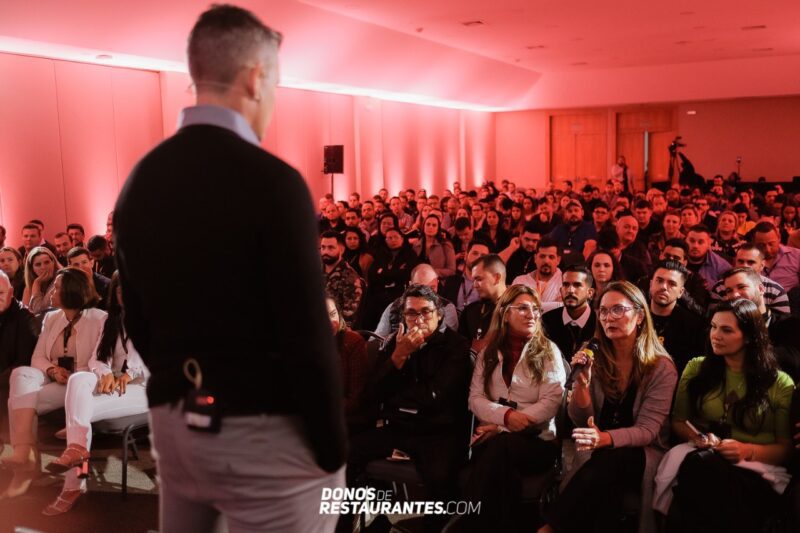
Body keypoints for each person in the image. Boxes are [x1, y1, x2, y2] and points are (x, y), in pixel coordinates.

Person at [113, 6, 346, 532]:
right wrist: (332, 451)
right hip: (265, 430)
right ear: (256, 77)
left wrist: (182, 380)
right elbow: (307, 336)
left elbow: (138, 319)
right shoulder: (275, 183)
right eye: (277, 82)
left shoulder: (140, 180)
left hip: (177, 425)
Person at [539, 281, 678, 533]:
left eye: (617, 310)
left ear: (638, 316)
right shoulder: (592, 352)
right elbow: (582, 420)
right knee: (606, 482)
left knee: (608, 463)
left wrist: (603, 438)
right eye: (603, 311)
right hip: (600, 449)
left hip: (643, 452)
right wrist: (581, 386)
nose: (608, 318)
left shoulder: (661, 367)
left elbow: (647, 431)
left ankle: (550, 528)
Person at [344, 285, 472, 531]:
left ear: (439, 314)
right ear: (403, 316)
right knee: (349, 453)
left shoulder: (457, 345)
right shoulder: (397, 342)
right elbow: (373, 394)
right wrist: (399, 356)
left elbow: (435, 397)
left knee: (441, 478)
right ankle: (344, 526)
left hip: (438, 432)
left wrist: (398, 398)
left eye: (426, 312)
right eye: (412, 313)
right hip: (399, 429)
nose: (419, 319)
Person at [665, 299, 794, 533]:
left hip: (757, 471)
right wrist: (700, 438)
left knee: (703, 472)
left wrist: (746, 450)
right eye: (713, 327)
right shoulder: (696, 368)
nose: (715, 335)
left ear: (748, 337)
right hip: (706, 457)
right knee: (702, 465)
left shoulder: (779, 382)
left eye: (726, 330)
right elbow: (678, 421)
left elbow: (785, 449)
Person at [458, 285, 566, 531]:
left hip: (538, 441)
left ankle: (466, 524)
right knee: (501, 464)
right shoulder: (488, 352)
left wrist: (502, 426)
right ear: (505, 313)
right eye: (523, 308)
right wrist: (505, 417)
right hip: (499, 442)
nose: (532, 315)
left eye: (536, 309)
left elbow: (551, 403)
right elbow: (474, 399)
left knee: (499, 449)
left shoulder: (549, 351)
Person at [43, 272, 149, 515]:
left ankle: (73, 484)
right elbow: (97, 359)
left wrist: (127, 375)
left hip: (141, 388)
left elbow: (149, 360)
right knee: (80, 379)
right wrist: (105, 374)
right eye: (120, 292)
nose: (125, 297)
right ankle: (77, 455)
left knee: (77, 419)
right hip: (113, 385)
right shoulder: (111, 320)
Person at [1, 268, 106, 499]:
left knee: (18, 402)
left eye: (56, 287)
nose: (51, 292)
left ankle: (26, 467)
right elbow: (38, 357)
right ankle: (23, 454)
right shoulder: (51, 317)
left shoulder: (99, 319)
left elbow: (98, 362)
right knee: (21, 375)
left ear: (71, 290)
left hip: (84, 385)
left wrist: (71, 373)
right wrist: (52, 370)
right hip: (57, 381)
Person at [648, 261, 706, 374]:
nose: (664, 287)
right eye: (659, 281)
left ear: (681, 292)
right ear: (651, 285)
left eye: (672, 284)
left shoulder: (694, 326)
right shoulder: (635, 317)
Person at [325, 296, 369, 436]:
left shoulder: (352, 342)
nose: (330, 322)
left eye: (333, 314)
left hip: (344, 419)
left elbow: (355, 399)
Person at [374, 263, 458, 337]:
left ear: (437, 283)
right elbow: (377, 340)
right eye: (420, 288)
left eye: (432, 288)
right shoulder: (394, 307)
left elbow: (447, 342)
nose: (426, 294)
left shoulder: (447, 308)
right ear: (410, 285)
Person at [542, 265, 597, 360]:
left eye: (577, 285)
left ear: (590, 293)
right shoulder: (547, 320)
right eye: (566, 285)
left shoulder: (599, 322)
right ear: (560, 290)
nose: (570, 290)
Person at [460, 254, 507, 349]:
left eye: (479, 279)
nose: (474, 285)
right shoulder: (470, 312)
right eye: (474, 280)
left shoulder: (518, 309)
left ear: (497, 278)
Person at [320, 231, 364, 328]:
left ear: (341, 249)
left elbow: (349, 317)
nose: (325, 251)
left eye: (331, 247)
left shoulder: (350, 277)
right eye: (323, 247)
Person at [512, 237, 563, 310]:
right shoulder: (520, 281)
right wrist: (555, 305)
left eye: (551, 257)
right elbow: (514, 309)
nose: (546, 261)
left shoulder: (565, 282)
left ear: (558, 260)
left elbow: (562, 310)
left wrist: (530, 304)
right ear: (535, 258)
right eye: (542, 256)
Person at [753, 221, 800, 292]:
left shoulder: (796, 255)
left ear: (779, 238)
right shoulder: (747, 259)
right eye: (761, 245)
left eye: (771, 244)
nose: (767, 249)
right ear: (754, 243)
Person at [21, 246, 63, 315]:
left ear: (53, 263)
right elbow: (24, 315)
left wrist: (37, 284)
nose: (43, 267)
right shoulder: (29, 287)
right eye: (38, 265)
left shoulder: (60, 279)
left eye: (47, 262)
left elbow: (39, 312)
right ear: (32, 269)